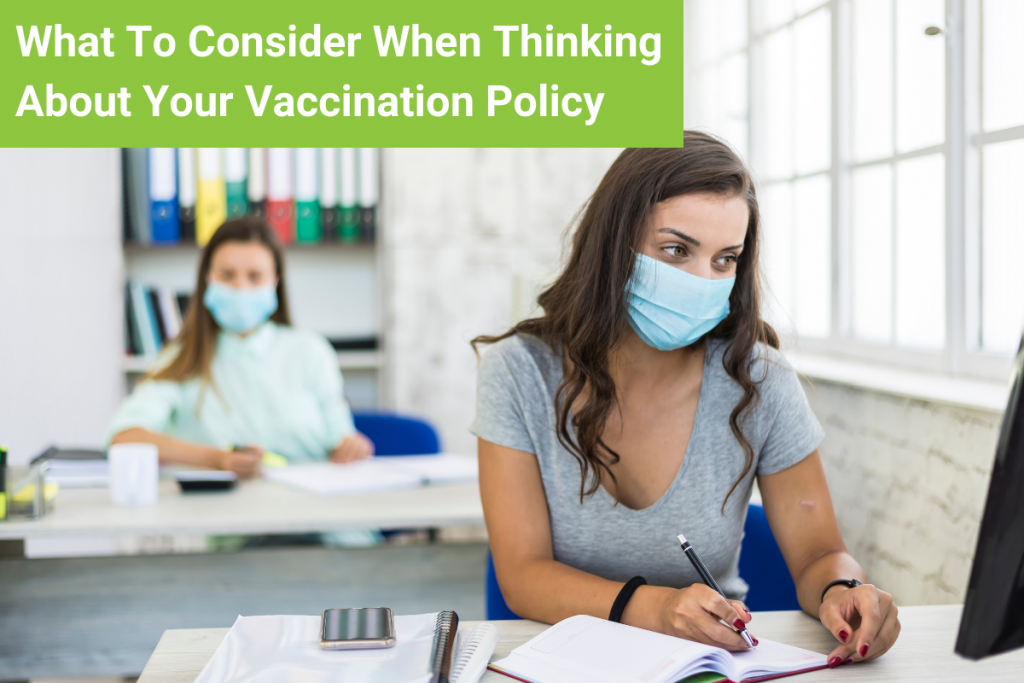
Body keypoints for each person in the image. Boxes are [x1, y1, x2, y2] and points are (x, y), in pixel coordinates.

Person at [471, 136, 900, 669]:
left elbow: (819, 554)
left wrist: (845, 587)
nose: (703, 281)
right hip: (563, 663)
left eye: (726, 260)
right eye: (676, 250)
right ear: (613, 244)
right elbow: (522, 575)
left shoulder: (760, 381)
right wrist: (657, 608)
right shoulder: (518, 371)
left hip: (706, 666)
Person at [107, 217, 374, 476]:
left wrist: (352, 447)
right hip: (220, 514)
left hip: (309, 512)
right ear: (208, 279)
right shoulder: (180, 357)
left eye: (255, 276)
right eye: (227, 275)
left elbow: (342, 440)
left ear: (275, 282)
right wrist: (217, 459)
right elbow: (125, 437)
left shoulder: (311, 351)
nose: (240, 288)